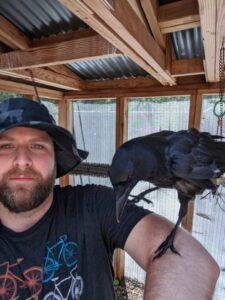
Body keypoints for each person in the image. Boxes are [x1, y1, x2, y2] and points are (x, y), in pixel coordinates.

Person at [0, 97, 219, 300]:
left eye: (37, 146)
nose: (22, 160)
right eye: (6, 146)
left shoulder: (92, 205)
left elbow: (191, 260)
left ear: (56, 159)